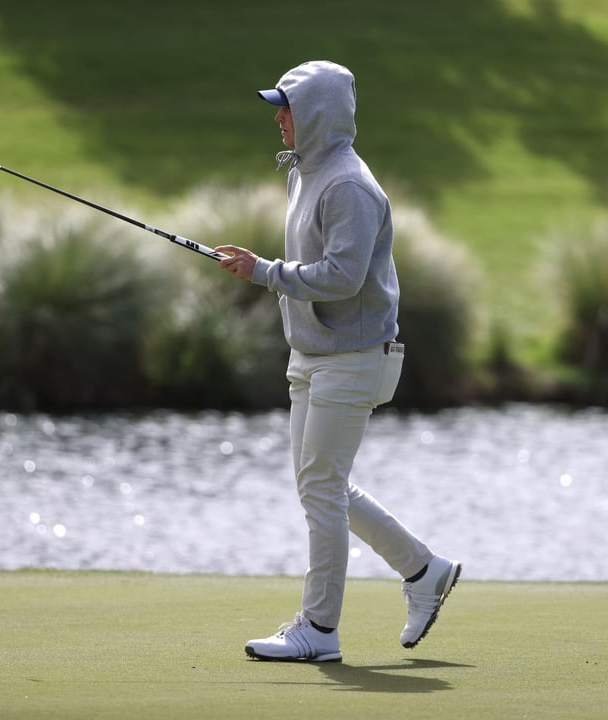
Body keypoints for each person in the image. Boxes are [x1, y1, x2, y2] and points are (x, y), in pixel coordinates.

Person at [215, 60, 460, 662]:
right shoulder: (305, 172)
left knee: (322, 487)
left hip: (353, 357)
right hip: (314, 353)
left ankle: (319, 630)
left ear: (317, 115)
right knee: (321, 484)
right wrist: (265, 271)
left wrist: (265, 272)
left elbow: (344, 277)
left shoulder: (348, 186)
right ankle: (424, 570)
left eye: (287, 108)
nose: (278, 118)